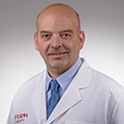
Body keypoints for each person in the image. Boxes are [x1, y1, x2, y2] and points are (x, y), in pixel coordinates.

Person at [7, 3, 124, 124]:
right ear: (36, 42)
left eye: (65, 35)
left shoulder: (113, 96)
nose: (55, 44)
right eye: (46, 36)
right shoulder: (23, 94)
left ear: (81, 40)